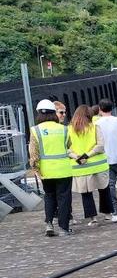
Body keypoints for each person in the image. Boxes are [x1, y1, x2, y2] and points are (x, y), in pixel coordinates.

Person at [28, 99, 73, 237]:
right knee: (64, 198)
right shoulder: (64, 129)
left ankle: (49, 223)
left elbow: (34, 154)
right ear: (54, 113)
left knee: (49, 196)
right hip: (64, 170)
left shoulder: (35, 131)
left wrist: (35, 169)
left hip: (46, 171)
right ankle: (64, 228)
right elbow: (69, 146)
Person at [67, 104, 117, 225]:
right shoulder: (95, 127)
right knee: (104, 190)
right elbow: (100, 146)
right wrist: (88, 155)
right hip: (98, 165)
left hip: (80, 167)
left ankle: (92, 219)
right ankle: (108, 215)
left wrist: (77, 157)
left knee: (86, 193)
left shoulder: (69, 130)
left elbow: (67, 149)